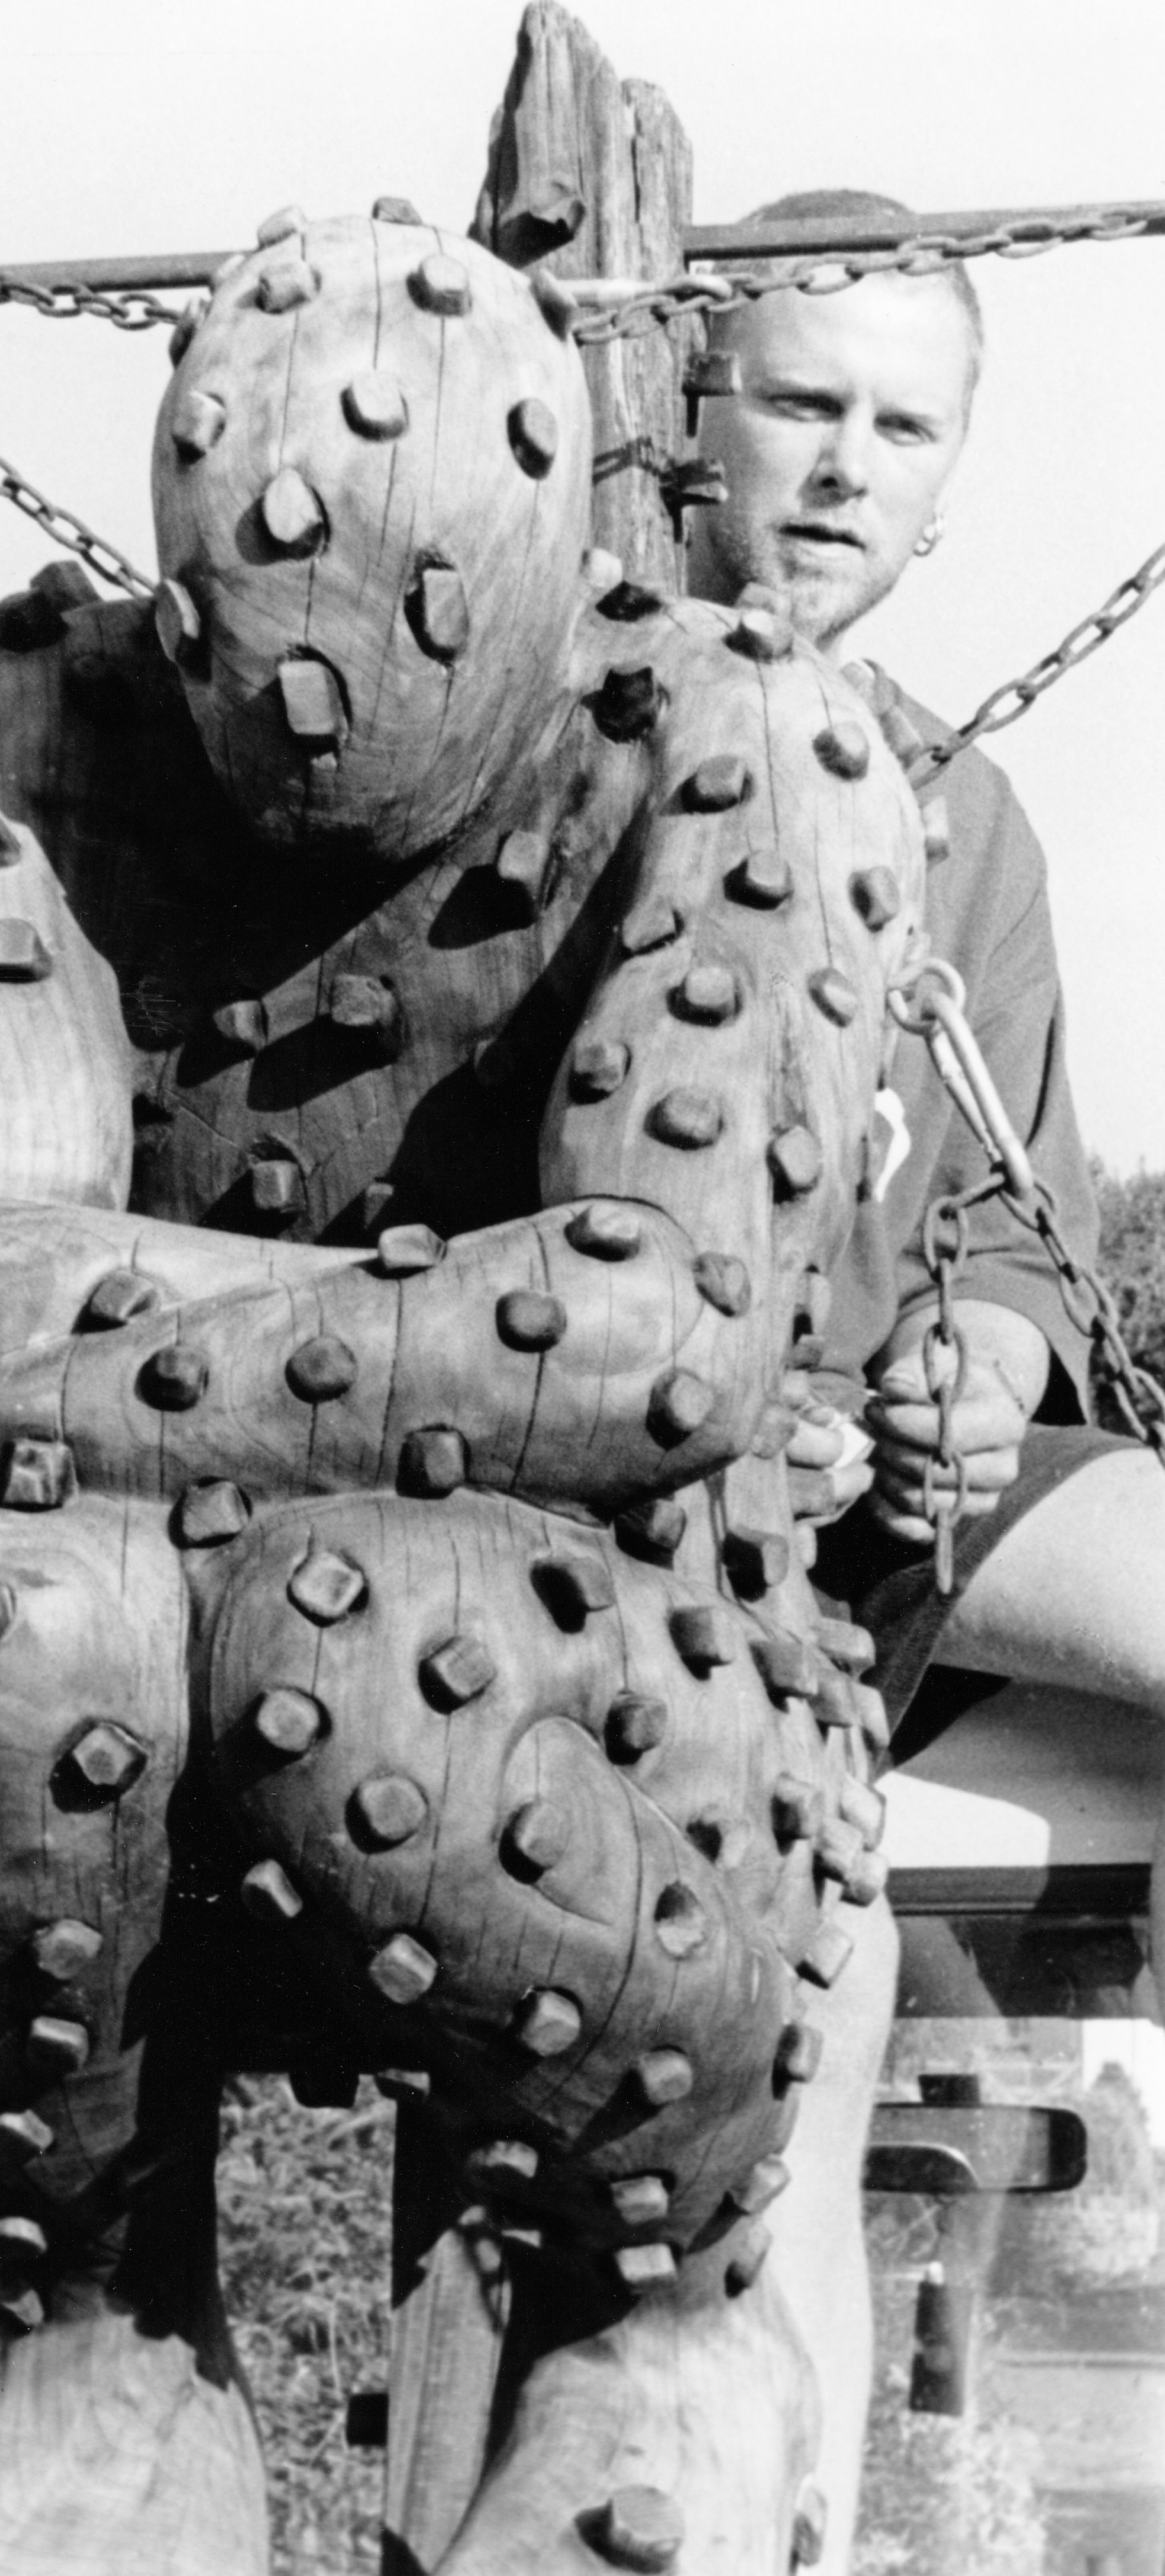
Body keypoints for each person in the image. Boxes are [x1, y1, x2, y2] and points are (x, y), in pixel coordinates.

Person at [685, 189, 1165, 2565]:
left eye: (903, 424)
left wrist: (975, 1368)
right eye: (802, 402)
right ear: (683, 403)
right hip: (660, 1550)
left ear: (956, 481)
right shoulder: (547, 743)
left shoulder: (959, 809)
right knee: (793, 2091)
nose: (850, 464)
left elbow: (1010, 1223)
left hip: (898, 1491)